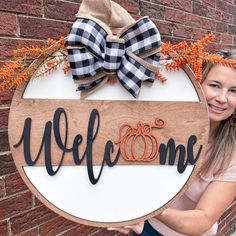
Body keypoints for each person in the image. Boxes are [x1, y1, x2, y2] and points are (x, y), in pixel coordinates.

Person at [108, 50, 236, 236]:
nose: (222, 98)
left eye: (233, 91)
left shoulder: (232, 155)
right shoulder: (163, 124)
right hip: (145, 227)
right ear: (197, 85)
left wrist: (147, 208)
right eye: (215, 85)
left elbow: (203, 219)